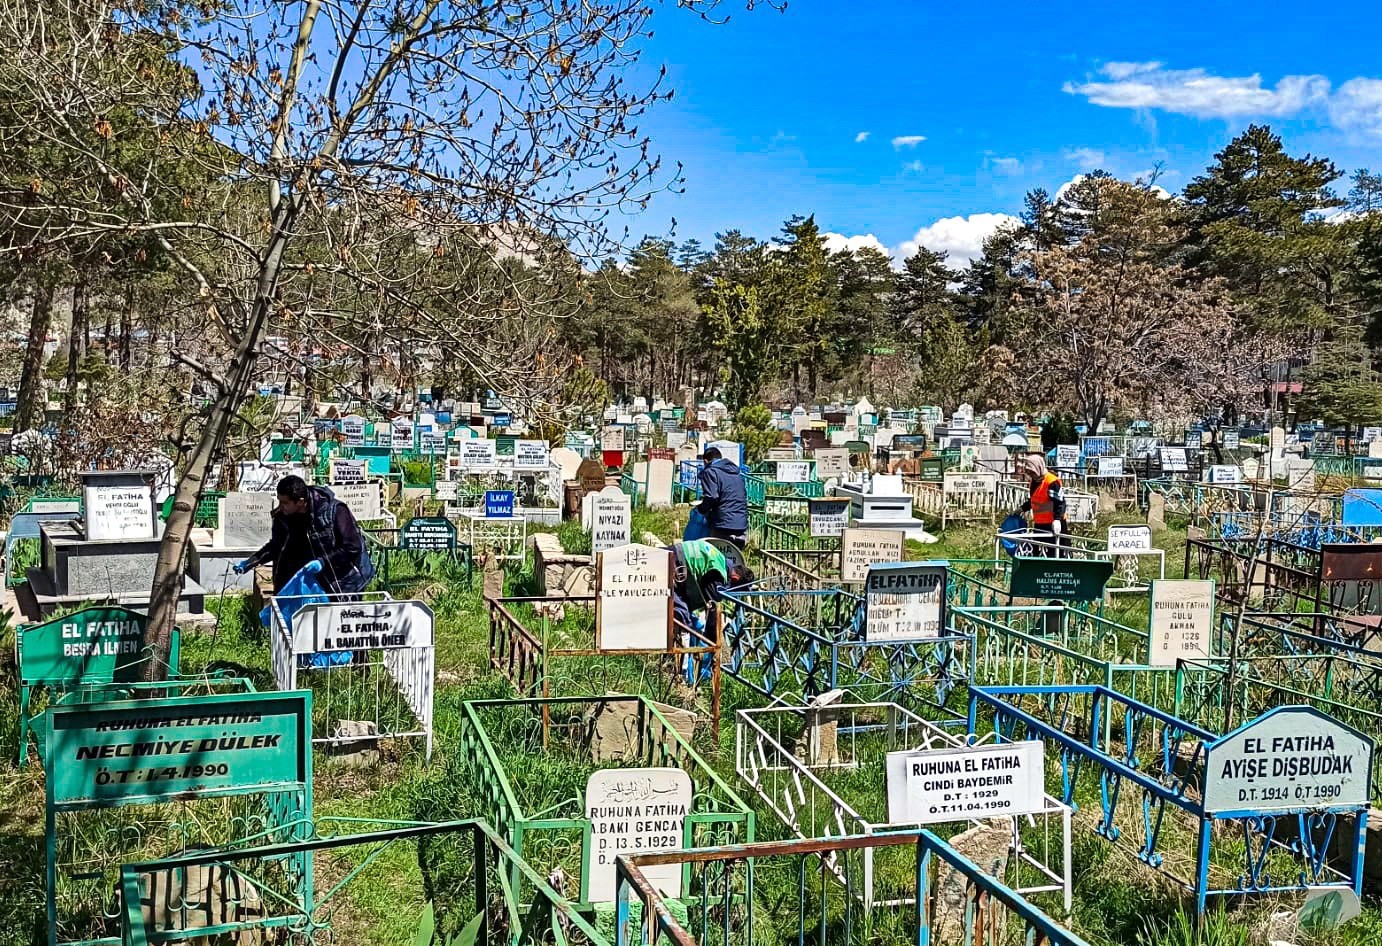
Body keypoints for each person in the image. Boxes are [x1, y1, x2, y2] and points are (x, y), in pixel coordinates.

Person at [234, 475, 375, 594]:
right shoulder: (283, 517)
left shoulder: (334, 511)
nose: (281, 506)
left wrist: (323, 562)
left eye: (285, 502)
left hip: (345, 580)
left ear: (300, 501)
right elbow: (277, 546)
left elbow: (352, 547)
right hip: (313, 581)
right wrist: (251, 561)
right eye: (279, 501)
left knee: (340, 622)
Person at [669, 538, 756, 631]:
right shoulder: (717, 574)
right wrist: (712, 640)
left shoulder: (719, 559)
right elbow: (712, 607)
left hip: (673, 557)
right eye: (736, 589)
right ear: (735, 579)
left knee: (685, 612)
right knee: (682, 614)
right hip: (671, 563)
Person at [1015, 453, 1068, 556]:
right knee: (1038, 553)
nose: (1031, 475)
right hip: (1040, 524)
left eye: (1032, 472)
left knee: (1056, 554)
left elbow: (1060, 502)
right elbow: (1035, 500)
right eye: (1029, 473)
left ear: (1038, 468)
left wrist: (1057, 519)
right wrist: (1022, 508)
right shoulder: (1034, 482)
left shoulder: (1052, 482)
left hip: (1054, 525)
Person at [696, 446, 749, 548]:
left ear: (706, 461)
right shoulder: (736, 473)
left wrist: (701, 509)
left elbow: (711, 497)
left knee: (716, 557)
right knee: (735, 559)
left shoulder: (710, 471)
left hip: (723, 525)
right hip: (741, 525)